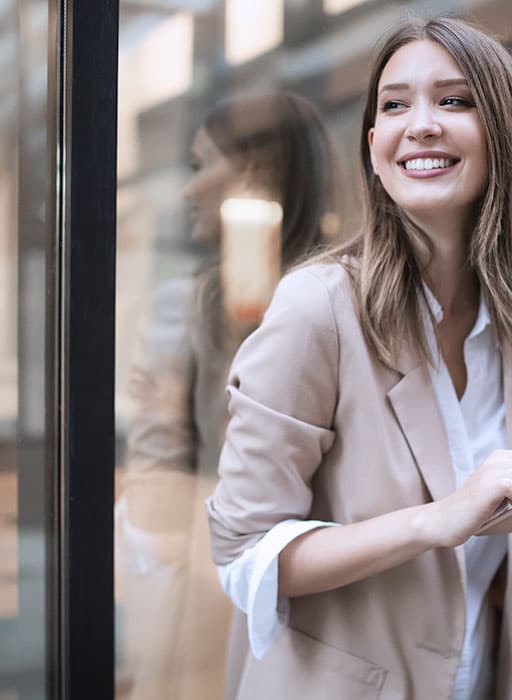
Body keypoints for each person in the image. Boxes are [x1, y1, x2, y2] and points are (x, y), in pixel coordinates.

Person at [205, 18, 512, 700]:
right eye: (395, 105)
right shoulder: (319, 308)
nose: (419, 124)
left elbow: (492, 549)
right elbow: (244, 556)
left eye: (453, 101)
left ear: (504, 137)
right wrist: (435, 519)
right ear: (374, 148)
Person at [116, 92, 332, 700]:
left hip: (221, 583)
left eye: (200, 164)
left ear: (254, 172)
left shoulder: (188, 308)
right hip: (315, 585)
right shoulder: (355, 299)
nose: (189, 190)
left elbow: (157, 501)